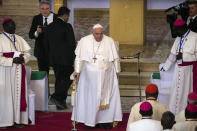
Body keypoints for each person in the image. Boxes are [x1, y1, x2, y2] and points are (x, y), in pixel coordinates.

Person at [71, 24, 122, 129]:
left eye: (100, 33)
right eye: (96, 34)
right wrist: (77, 71)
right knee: (90, 98)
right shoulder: (84, 41)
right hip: (89, 78)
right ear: (92, 33)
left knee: (106, 98)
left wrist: (117, 70)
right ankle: (89, 121)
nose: (99, 36)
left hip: (106, 75)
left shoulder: (109, 41)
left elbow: (115, 58)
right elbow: (79, 58)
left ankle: (105, 120)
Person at [161, 19, 197, 115]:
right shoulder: (178, 38)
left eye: (176, 30)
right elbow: (173, 54)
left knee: (185, 93)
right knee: (175, 93)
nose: (175, 33)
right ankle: (174, 113)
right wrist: (165, 67)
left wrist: (184, 57)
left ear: (183, 28)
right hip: (178, 69)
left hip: (188, 71)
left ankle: (184, 114)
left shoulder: (195, 37)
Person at [0, 18, 31, 128]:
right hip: (5, 73)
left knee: (18, 96)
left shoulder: (19, 38)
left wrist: (24, 59)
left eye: (14, 25)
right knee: (5, 96)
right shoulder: (0, 39)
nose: (13, 27)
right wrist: (11, 60)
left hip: (18, 72)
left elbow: (27, 53)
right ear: (4, 26)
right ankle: (4, 121)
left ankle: (17, 120)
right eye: (10, 25)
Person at [44, 6, 75, 110]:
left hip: (54, 60)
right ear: (65, 15)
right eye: (68, 16)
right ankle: (56, 96)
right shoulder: (67, 26)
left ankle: (60, 103)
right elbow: (71, 44)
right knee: (69, 78)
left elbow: (46, 45)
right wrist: (74, 59)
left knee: (59, 80)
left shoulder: (50, 27)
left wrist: (49, 58)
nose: (68, 18)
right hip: (66, 60)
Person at [29, 1, 57, 74]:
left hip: (55, 52)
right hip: (41, 53)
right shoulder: (36, 18)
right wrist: (37, 32)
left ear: (50, 9)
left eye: (47, 8)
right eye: (43, 9)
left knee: (58, 74)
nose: (45, 11)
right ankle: (44, 86)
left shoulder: (56, 18)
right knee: (43, 75)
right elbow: (30, 35)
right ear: (40, 9)